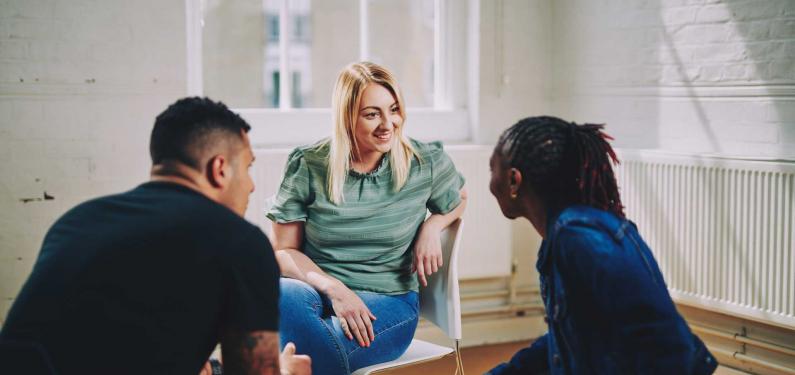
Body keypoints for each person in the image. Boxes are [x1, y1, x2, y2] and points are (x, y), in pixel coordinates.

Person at [0, 97, 311, 375]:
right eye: (247, 167)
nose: (252, 186)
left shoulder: (77, 221)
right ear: (219, 169)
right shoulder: (241, 242)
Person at [267, 62, 467, 374]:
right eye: (372, 114)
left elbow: (460, 198)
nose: (388, 124)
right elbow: (283, 252)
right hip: (318, 289)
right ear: (347, 116)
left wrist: (433, 225)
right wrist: (335, 289)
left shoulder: (424, 162)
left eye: (394, 109)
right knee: (284, 292)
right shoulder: (309, 164)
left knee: (307, 348)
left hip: (389, 300)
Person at [486, 116, 717, 374]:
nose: (489, 183)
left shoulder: (578, 238)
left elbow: (670, 347)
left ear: (513, 180)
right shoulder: (564, 238)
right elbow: (566, 339)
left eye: (491, 169)